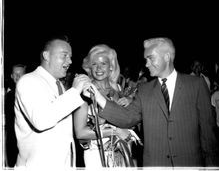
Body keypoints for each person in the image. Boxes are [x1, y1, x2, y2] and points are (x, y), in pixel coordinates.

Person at [81, 37, 219, 167]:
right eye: (145, 59)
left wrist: (212, 166)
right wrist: (98, 97)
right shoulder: (144, 90)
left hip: (189, 164)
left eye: (150, 58)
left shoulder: (196, 85)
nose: (146, 64)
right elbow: (127, 117)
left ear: (166, 57)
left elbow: (207, 133)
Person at [14, 36, 87, 168]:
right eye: (64, 55)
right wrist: (75, 91)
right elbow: (41, 120)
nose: (69, 61)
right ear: (46, 56)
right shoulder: (29, 81)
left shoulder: (59, 85)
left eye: (70, 57)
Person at [73, 44, 141, 168]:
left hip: (122, 152)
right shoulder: (85, 92)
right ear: (89, 67)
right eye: (94, 64)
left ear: (111, 67)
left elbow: (127, 118)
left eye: (103, 63)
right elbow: (80, 133)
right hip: (97, 154)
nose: (98, 68)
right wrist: (115, 131)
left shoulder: (118, 89)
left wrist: (130, 101)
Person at [4, 64, 26, 167]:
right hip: (12, 138)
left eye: (21, 74)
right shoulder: (8, 95)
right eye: (15, 74)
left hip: (25, 138)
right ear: (11, 76)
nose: (18, 77)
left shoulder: (29, 94)